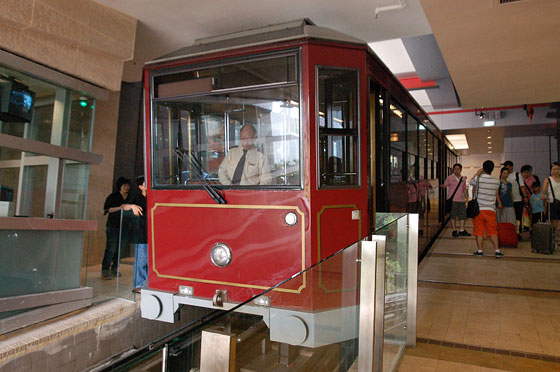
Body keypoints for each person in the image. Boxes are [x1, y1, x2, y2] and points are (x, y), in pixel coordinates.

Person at [101, 177, 142, 280]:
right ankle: (105, 269)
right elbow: (107, 210)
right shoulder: (113, 196)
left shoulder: (131, 197)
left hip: (125, 227)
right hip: (113, 226)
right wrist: (121, 207)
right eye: (125, 185)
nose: (127, 187)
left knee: (120, 249)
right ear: (120, 186)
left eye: (128, 185)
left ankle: (115, 268)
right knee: (111, 248)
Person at [470, 160, 503, 257]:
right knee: (493, 230)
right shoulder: (497, 181)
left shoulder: (478, 179)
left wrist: (477, 174)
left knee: (479, 231)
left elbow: (472, 182)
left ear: (483, 168)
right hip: (491, 210)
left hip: (479, 210)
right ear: (492, 169)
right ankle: (497, 251)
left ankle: (480, 251)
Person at [440, 163, 469, 237]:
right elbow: (445, 185)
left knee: (463, 215)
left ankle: (462, 230)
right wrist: (438, 184)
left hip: (461, 200)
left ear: (461, 170)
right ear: (453, 169)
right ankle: (454, 230)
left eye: (458, 169)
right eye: (455, 169)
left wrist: (467, 198)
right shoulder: (450, 177)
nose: (456, 170)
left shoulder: (463, 178)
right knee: (453, 215)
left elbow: (464, 189)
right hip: (453, 200)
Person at [130, 176, 147, 293]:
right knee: (141, 261)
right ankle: (139, 285)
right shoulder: (136, 199)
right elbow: (124, 206)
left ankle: (148, 284)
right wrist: (132, 206)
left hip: (152, 234)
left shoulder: (153, 197)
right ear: (141, 186)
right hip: (141, 233)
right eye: (146, 183)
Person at [503, 161, 526, 239]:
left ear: (511, 166)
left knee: (518, 217)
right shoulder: (503, 176)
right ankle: (510, 232)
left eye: (507, 166)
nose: (506, 167)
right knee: (509, 217)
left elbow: (522, 186)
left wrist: (525, 196)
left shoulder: (517, 175)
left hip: (518, 199)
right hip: (507, 201)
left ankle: (518, 233)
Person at [541, 162, 560, 231]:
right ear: (551, 170)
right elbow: (543, 191)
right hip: (552, 203)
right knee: (554, 224)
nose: (556, 171)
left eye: (558, 169)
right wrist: (543, 196)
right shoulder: (548, 180)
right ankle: (552, 237)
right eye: (554, 169)